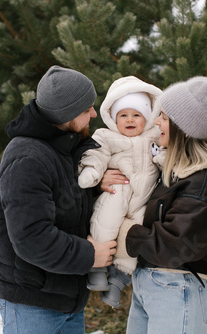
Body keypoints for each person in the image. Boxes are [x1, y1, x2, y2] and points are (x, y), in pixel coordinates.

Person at [0, 65, 118, 334]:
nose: (94, 113)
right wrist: (89, 255)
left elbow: (59, 202)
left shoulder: (62, 147)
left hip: (65, 298)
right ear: (65, 114)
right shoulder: (27, 159)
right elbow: (32, 238)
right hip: (32, 302)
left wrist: (93, 189)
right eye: (86, 109)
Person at [118, 76, 207, 333]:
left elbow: (174, 244)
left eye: (165, 117)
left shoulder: (202, 179)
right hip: (149, 287)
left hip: (177, 289)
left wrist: (126, 236)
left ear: (184, 128)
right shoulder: (171, 170)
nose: (156, 121)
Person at [77, 76, 164, 308]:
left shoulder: (154, 136)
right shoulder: (107, 136)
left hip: (144, 198)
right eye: (123, 115)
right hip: (119, 190)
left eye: (137, 115)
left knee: (133, 236)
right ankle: (97, 269)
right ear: (114, 118)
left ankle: (118, 280)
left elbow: (168, 151)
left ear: (147, 117)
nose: (130, 120)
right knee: (107, 219)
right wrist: (93, 173)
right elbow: (95, 154)